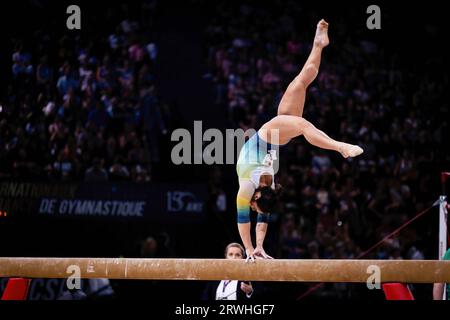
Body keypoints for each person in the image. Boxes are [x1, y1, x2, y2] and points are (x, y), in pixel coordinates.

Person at [236, 20, 364, 261]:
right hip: (274, 139)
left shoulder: (246, 188)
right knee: (301, 94)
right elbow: (262, 216)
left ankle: (318, 44)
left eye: (253, 206)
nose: (252, 209)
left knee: (301, 89)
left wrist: (251, 249)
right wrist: (258, 248)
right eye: (254, 206)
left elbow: (244, 219)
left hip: (268, 135)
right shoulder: (266, 187)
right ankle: (318, 45)